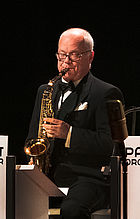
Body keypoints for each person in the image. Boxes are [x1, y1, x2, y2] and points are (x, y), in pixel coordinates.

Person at [26, 28, 124, 218]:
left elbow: (109, 144)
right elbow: (32, 136)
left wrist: (69, 133)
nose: (66, 62)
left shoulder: (106, 93)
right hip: (47, 175)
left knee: (71, 210)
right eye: (62, 55)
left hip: (87, 177)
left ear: (91, 57)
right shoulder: (45, 91)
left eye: (74, 55)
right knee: (11, 196)